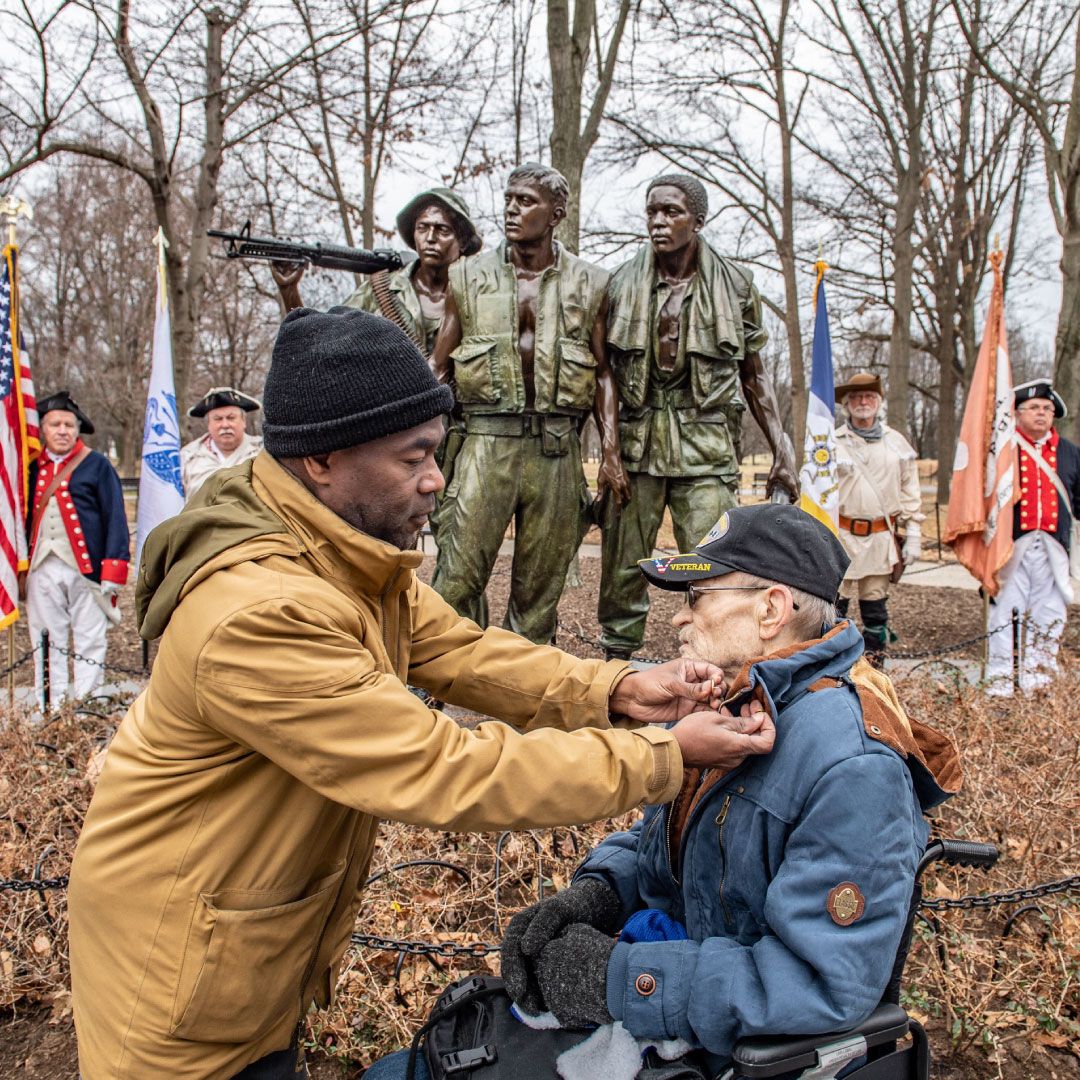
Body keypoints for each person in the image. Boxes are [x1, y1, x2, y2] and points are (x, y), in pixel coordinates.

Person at [68, 308, 771, 1080]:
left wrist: (621, 686)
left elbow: (461, 648)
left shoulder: (337, 549)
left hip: (232, 950)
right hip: (174, 977)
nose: (436, 479)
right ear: (324, 459)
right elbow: (445, 770)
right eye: (416, 458)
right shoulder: (260, 611)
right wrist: (661, 755)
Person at [366, 504, 961, 1080]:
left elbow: (821, 983)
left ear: (771, 609)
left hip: (727, 1057)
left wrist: (618, 978)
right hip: (677, 1026)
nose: (679, 617)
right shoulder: (739, 702)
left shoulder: (852, 765)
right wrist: (596, 896)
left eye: (697, 598)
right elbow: (668, 844)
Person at [598, 174, 798, 662]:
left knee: (717, 569)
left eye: (672, 212)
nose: (659, 222)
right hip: (637, 446)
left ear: (698, 221)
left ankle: (718, 668)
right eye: (652, 212)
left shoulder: (735, 284)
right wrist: (608, 452)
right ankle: (614, 671)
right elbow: (602, 373)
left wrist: (782, 447)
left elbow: (754, 376)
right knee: (624, 567)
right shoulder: (620, 282)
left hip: (705, 447)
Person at [430, 163, 631, 644]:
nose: (512, 210)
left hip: (556, 451)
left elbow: (604, 373)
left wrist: (611, 453)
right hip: (484, 444)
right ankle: (432, 688)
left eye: (526, 201)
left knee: (539, 592)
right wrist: (417, 448)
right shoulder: (466, 276)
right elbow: (437, 369)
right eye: (509, 199)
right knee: (456, 577)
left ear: (557, 212)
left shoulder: (592, 283)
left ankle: (525, 698)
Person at [21, 391, 129, 708]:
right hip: (42, 566)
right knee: (46, 638)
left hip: (88, 569)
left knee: (89, 640)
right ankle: (52, 705)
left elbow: (115, 519)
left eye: (69, 424)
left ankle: (85, 706)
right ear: (43, 429)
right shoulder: (29, 468)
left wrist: (113, 569)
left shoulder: (96, 465)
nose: (63, 430)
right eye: (56, 424)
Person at [986, 379, 1080, 693]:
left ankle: (1039, 678)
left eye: (1047, 408)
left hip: (1054, 547)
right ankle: (1001, 678)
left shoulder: (1069, 452)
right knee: (1005, 609)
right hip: (1012, 546)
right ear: (1018, 412)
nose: (1041, 413)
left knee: (1049, 611)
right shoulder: (1005, 448)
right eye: (1034, 408)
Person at [833, 372, 924, 666]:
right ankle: (830, 666)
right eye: (857, 397)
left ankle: (875, 666)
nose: (863, 402)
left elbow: (910, 488)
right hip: (841, 537)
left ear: (878, 402)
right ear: (847, 404)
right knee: (834, 608)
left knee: (875, 607)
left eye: (869, 397)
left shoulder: (897, 443)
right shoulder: (831, 442)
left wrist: (914, 533)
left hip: (880, 537)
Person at [180, 386, 263, 500]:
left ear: (243, 421)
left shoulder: (262, 452)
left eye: (231, 418)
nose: (225, 425)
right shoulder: (187, 457)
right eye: (218, 419)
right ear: (208, 424)